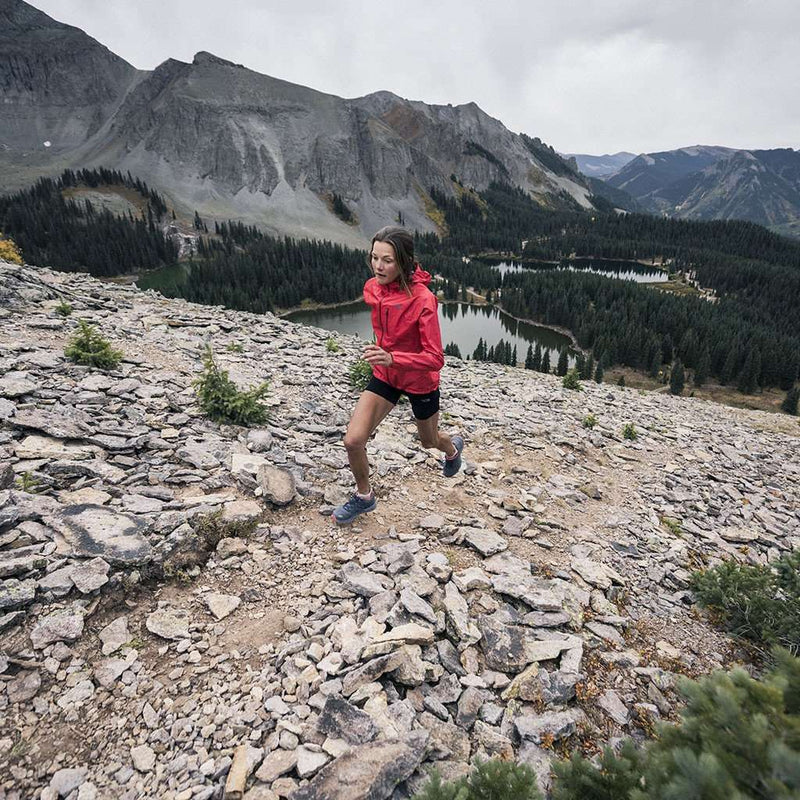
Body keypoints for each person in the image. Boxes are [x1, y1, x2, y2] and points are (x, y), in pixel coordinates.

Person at [332, 226, 464, 525]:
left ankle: (452, 448)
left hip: (419, 381)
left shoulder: (423, 299)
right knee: (353, 440)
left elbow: (435, 359)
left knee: (428, 442)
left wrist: (394, 358)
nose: (378, 266)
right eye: (374, 258)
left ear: (403, 262)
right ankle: (364, 497)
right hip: (387, 376)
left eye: (387, 260)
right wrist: (386, 360)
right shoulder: (375, 287)